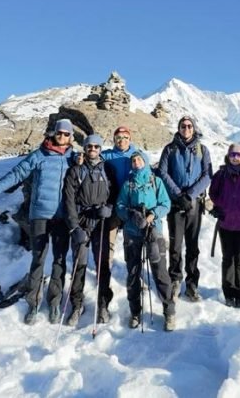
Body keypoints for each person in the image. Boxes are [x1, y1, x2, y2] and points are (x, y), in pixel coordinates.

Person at [0, 118, 77, 325]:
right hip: (40, 215)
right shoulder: (39, 155)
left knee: (60, 260)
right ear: (54, 133)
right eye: (59, 133)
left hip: (62, 217)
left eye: (66, 134)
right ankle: (33, 303)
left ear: (71, 137)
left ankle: (54, 302)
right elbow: (18, 173)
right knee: (38, 260)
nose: (62, 137)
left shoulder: (73, 158)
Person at [116, 151, 175, 331]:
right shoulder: (128, 184)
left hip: (153, 231)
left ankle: (169, 311)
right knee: (133, 272)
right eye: (133, 160)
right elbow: (119, 206)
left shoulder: (155, 181)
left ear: (146, 161)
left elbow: (166, 204)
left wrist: (151, 216)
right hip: (132, 232)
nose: (136, 162)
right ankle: (135, 312)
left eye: (139, 159)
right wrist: (130, 214)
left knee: (160, 271)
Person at [158, 115, 212, 302]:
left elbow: (207, 176)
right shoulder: (170, 149)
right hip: (175, 204)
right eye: (183, 126)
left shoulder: (202, 150)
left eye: (189, 126)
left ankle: (192, 283)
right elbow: (163, 173)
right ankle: (175, 279)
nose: (186, 129)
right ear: (179, 128)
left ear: (194, 128)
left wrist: (190, 195)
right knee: (175, 245)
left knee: (192, 245)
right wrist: (178, 195)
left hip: (194, 205)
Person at [62, 134, 114, 326]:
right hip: (82, 221)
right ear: (84, 148)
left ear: (100, 149)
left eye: (96, 146)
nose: (92, 149)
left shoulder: (107, 169)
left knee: (103, 265)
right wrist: (74, 227)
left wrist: (109, 208)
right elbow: (68, 200)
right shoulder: (75, 170)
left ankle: (103, 305)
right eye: (89, 146)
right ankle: (77, 305)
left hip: (100, 222)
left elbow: (115, 193)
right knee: (79, 264)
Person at [208, 143, 240, 308]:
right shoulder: (221, 174)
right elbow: (212, 193)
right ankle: (229, 294)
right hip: (225, 224)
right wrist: (221, 205)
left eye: (238, 155)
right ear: (228, 157)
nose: (235, 158)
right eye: (232, 155)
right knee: (227, 260)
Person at [101, 126, 150, 264]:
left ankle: (132, 269)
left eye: (125, 137)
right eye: (118, 137)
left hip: (133, 206)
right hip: (114, 204)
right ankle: (106, 265)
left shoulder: (138, 156)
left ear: (130, 139)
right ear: (114, 139)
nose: (122, 140)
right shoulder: (107, 156)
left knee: (132, 242)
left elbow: (147, 177)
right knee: (109, 236)